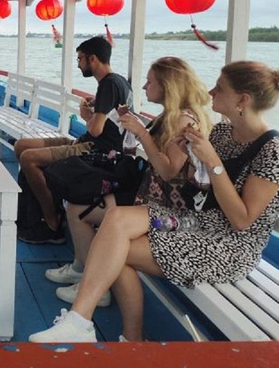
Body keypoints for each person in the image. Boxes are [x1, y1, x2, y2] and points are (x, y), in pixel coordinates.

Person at [29, 60, 279, 343]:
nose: (211, 92)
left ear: (242, 100)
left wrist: (211, 161)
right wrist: (193, 161)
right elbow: (199, 187)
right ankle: (82, 321)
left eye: (220, 88)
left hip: (229, 244)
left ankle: (125, 338)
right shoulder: (222, 133)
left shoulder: (272, 151)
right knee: (117, 221)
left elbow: (242, 220)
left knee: (116, 250)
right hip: (190, 221)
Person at [45, 57, 212, 309]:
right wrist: (96, 118)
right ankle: (82, 270)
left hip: (167, 208)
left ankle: (93, 284)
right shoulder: (170, 115)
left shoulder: (184, 121)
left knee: (79, 209)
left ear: (168, 86)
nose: (144, 87)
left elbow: (168, 171)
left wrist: (141, 132)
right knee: (77, 207)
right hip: (147, 194)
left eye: (150, 82)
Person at [16, 36, 133, 244]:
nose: (78, 64)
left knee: (28, 159)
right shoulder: (119, 81)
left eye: (80, 59)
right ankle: (43, 209)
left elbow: (96, 130)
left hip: (95, 150)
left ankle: (52, 222)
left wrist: (85, 114)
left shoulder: (108, 84)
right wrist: (93, 109)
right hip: (84, 141)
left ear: (93, 59)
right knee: (21, 145)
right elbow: (108, 119)